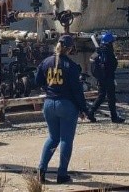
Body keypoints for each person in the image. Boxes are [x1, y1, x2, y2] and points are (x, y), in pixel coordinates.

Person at [35, 34, 89, 184]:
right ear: (70, 48)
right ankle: (62, 174)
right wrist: (83, 108)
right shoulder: (71, 66)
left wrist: (48, 88)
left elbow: (37, 80)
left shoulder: (46, 62)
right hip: (66, 105)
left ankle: (41, 170)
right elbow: (77, 90)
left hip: (49, 104)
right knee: (66, 139)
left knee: (53, 138)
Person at [87, 32, 125, 123]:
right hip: (109, 78)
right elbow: (114, 65)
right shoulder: (108, 51)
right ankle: (114, 117)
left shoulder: (98, 50)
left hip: (100, 78)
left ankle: (91, 112)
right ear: (109, 42)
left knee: (101, 96)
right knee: (111, 98)